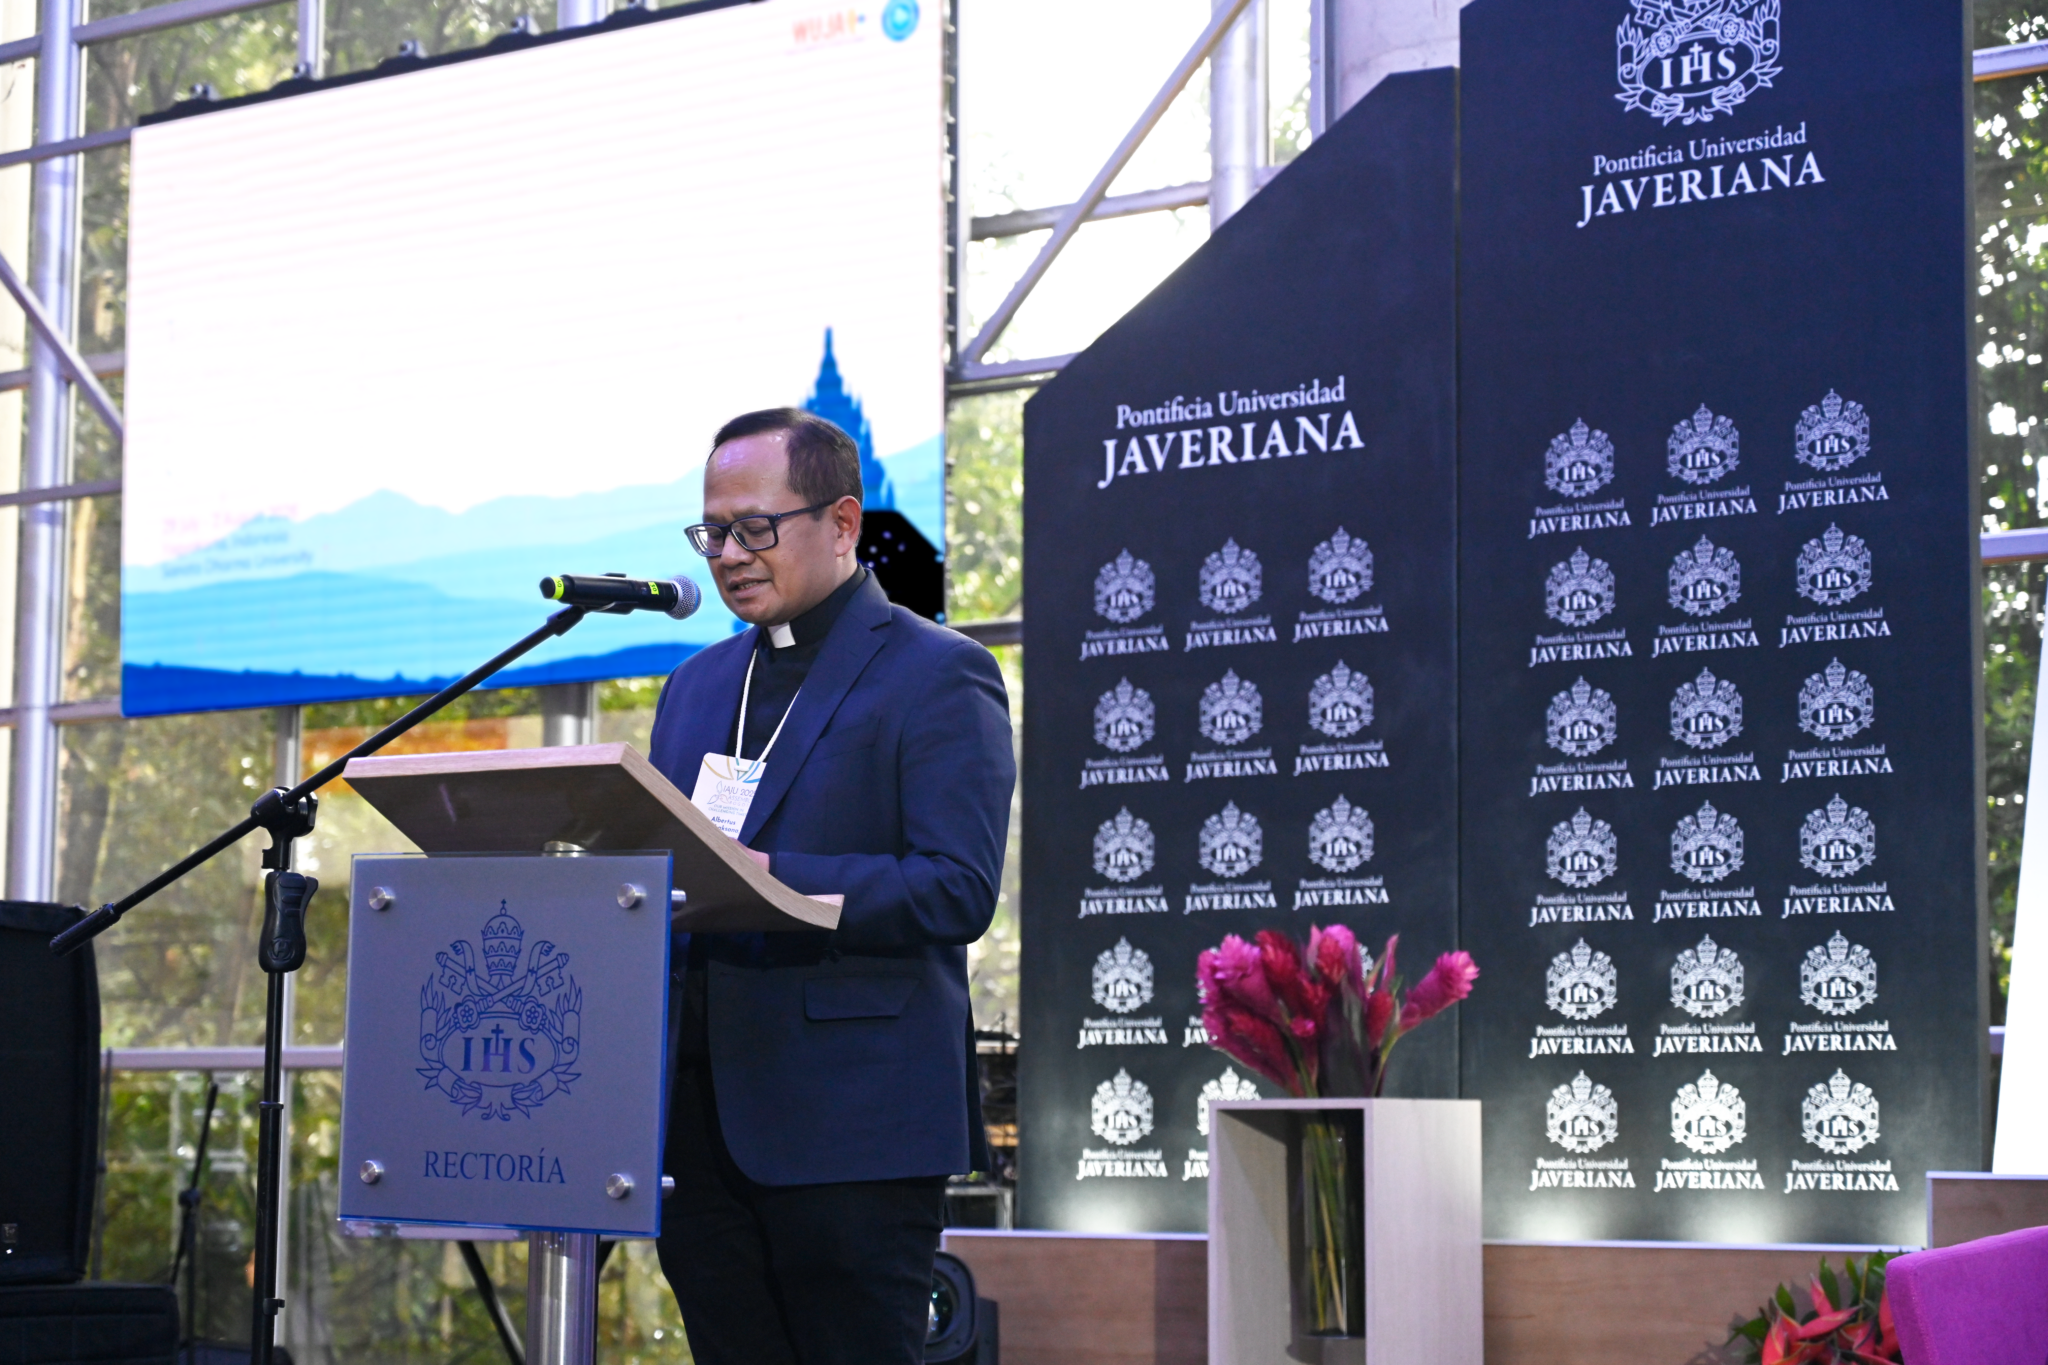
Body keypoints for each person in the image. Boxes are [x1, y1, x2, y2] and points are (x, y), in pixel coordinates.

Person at [647, 407, 1015, 1364]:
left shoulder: (939, 672)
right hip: (696, 1134)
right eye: (712, 533)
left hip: (854, 1129)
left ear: (843, 522)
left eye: (754, 528)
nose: (729, 555)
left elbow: (956, 887)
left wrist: (775, 880)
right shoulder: (694, 687)